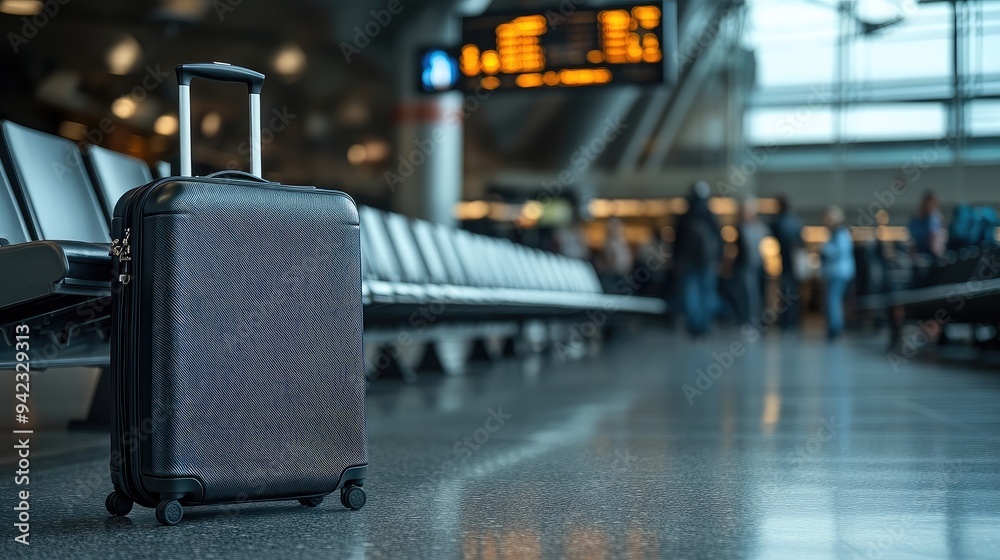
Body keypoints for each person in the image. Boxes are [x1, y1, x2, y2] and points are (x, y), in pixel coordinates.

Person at [673, 181, 722, 337]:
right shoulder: (711, 216)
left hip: (688, 262)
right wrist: (718, 258)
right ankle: (704, 325)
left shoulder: (684, 217)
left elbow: (676, 241)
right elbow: (720, 240)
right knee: (707, 294)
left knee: (691, 294)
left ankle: (694, 326)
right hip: (707, 262)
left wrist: (676, 260)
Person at [820, 205, 856, 339]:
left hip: (838, 273)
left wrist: (824, 249)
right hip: (835, 273)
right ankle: (834, 327)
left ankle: (835, 328)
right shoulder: (835, 234)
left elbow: (837, 252)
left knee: (833, 300)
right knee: (833, 300)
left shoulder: (840, 233)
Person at [731, 199, 768, 324]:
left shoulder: (759, 228)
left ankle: (752, 320)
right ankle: (746, 319)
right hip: (743, 265)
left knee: (753, 294)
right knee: (744, 293)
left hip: (755, 265)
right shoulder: (740, 227)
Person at [770, 195, 803, 330]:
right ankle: (793, 321)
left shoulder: (779, 222)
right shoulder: (796, 222)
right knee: (792, 293)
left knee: (786, 293)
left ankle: (787, 322)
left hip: (786, 263)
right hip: (794, 264)